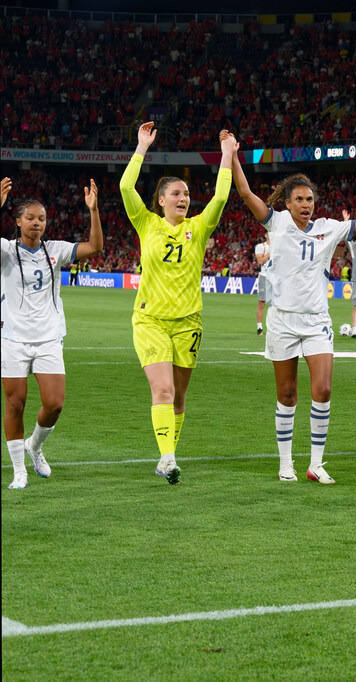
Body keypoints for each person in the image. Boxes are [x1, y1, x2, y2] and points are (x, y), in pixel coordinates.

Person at [228, 139, 356, 482]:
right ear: (287, 203)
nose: (306, 205)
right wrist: (230, 154)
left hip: (317, 322)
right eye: (299, 200)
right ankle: (286, 463)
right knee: (287, 394)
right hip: (283, 322)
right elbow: (245, 193)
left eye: (310, 200)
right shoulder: (276, 223)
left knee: (323, 390)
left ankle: (316, 464)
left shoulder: (328, 228)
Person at [119, 122, 234, 485]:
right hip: (151, 320)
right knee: (163, 390)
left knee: (179, 398)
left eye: (186, 194)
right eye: (176, 194)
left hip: (188, 323)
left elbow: (220, 197)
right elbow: (125, 186)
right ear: (162, 200)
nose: (184, 198)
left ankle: (166, 456)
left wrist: (228, 155)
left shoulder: (199, 228)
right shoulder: (146, 223)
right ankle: (168, 459)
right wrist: (141, 148)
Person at [2, 177, 103, 489]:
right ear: (17, 221)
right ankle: (19, 470)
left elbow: (96, 246)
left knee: (55, 403)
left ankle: (34, 446)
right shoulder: (5, 251)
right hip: (13, 339)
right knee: (15, 404)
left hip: (48, 337)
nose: (37, 223)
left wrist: (94, 210)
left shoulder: (56, 250)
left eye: (42, 218)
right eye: (30, 218)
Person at [254, 233, 270, 335]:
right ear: (266, 235)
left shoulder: (282, 245)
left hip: (278, 277)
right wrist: (271, 252)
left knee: (278, 304)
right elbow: (260, 261)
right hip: (264, 276)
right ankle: (259, 327)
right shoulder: (261, 247)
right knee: (261, 303)